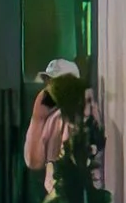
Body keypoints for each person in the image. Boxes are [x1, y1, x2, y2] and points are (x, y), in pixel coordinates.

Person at [24, 59, 101, 188]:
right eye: (48, 82)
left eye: (57, 83)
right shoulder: (53, 119)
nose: (50, 88)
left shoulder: (87, 113)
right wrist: (37, 119)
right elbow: (34, 161)